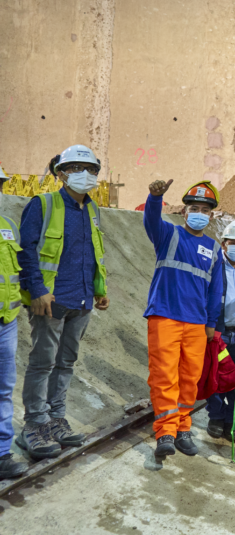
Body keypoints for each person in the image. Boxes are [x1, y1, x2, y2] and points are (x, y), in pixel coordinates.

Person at [16, 145, 108, 460]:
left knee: (66, 363)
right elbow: (25, 250)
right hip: (50, 300)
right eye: (77, 168)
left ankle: (56, 420)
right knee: (43, 363)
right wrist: (37, 288)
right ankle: (34, 426)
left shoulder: (93, 210)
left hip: (81, 299)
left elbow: (94, 252)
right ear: (61, 173)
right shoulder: (43, 204)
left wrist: (99, 288)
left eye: (92, 169)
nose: (86, 175)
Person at [144, 179, 224, 458]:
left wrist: (211, 325)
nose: (199, 212)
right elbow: (151, 221)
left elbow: (216, 291)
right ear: (184, 211)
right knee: (164, 374)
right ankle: (165, 431)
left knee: (189, 378)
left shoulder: (214, 250)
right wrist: (155, 198)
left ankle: (183, 427)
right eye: (194, 207)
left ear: (211, 215)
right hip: (165, 315)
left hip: (197, 323)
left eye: (204, 209)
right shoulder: (169, 234)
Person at [206, 221, 235, 441]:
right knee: (214, 375)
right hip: (219, 330)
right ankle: (216, 416)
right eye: (234, 243)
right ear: (224, 244)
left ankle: (232, 420)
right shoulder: (213, 265)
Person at [0, 165, 27, 479]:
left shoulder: (7, 226)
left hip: (7, 320)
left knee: (4, 390)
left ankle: (2, 454)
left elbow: (17, 271)